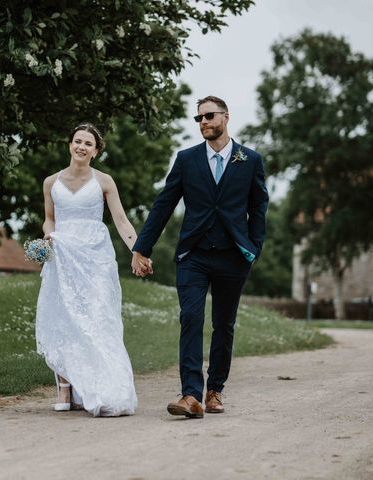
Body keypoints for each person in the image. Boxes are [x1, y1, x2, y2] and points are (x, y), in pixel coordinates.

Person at [131, 96, 269, 418]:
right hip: (193, 254)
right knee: (191, 317)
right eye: (199, 119)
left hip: (234, 256)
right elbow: (163, 205)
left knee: (224, 324)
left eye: (209, 116)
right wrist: (142, 247)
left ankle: (214, 390)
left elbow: (258, 209)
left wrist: (253, 249)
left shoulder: (249, 160)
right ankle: (190, 394)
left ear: (225, 117)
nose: (203, 122)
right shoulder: (187, 159)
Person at [35, 122, 142, 417]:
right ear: (70, 144)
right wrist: (48, 236)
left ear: (95, 151)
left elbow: (120, 220)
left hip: (95, 257)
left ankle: (99, 385)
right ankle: (65, 387)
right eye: (77, 141)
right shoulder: (50, 182)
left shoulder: (104, 181)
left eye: (88, 144)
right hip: (64, 256)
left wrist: (138, 249)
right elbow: (49, 219)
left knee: (96, 317)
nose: (81, 147)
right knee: (64, 317)